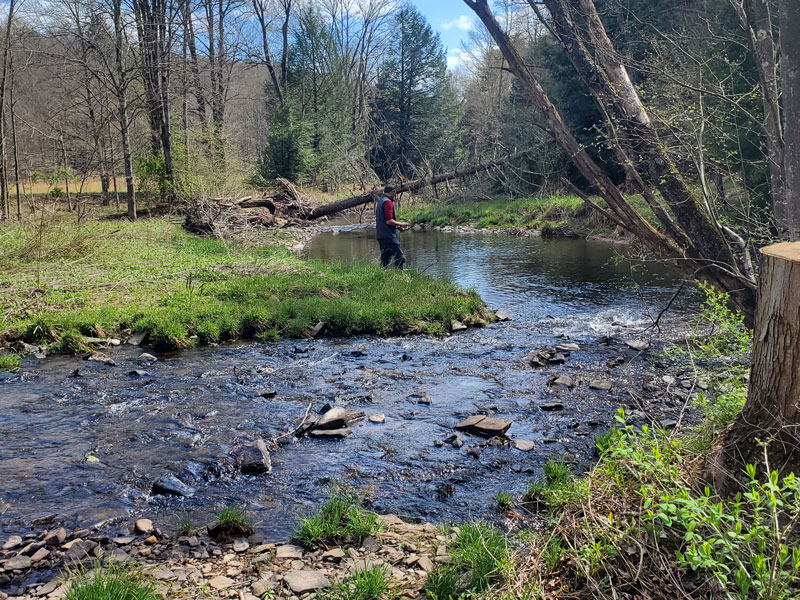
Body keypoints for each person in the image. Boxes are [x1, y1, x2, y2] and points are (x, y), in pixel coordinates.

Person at [375, 184, 408, 269]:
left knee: (385, 259)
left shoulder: (381, 201)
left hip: (380, 235)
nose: (395, 194)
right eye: (394, 192)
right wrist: (401, 224)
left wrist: (397, 227)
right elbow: (389, 221)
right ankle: (400, 277)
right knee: (400, 257)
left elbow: (384, 220)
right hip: (389, 236)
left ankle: (383, 276)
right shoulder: (388, 202)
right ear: (393, 191)